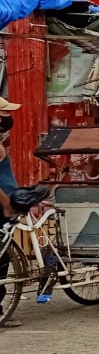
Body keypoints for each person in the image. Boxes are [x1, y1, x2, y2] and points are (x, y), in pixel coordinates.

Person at [0, 97, 23, 327]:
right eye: (5, 114)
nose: (9, 118)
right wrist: (7, 204)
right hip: (1, 207)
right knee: (2, 255)